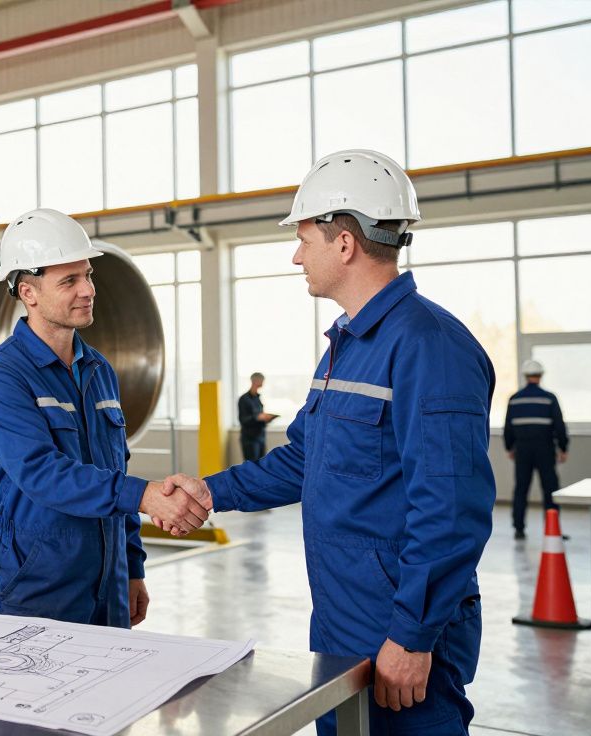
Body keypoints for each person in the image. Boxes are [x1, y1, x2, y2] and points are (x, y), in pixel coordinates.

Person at [153, 150, 495, 735]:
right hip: (342, 619)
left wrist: (413, 635)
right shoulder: (348, 345)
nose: (296, 255)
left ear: (344, 244)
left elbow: (452, 507)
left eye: (303, 239)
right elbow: (305, 460)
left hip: (400, 629)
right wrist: (210, 492)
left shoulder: (430, 346)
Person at [0, 208, 209, 629]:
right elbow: (42, 474)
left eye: (88, 275)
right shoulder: (2, 376)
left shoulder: (99, 370)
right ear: (28, 292)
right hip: (37, 586)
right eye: (69, 281)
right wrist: (146, 496)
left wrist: (132, 567)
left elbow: (116, 471)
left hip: (108, 585)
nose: (88, 290)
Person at [503, 359, 569, 540]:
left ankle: (518, 529)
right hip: (545, 449)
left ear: (525, 376)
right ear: (541, 375)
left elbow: (508, 427)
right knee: (550, 488)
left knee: (521, 489)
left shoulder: (515, 399)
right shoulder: (549, 398)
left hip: (522, 450)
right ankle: (552, 528)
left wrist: (509, 447)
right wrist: (563, 447)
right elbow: (559, 426)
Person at [238, 372, 278, 462]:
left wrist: (267, 418)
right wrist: (258, 418)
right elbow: (243, 420)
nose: (263, 383)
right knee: (252, 465)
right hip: (250, 439)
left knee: (261, 464)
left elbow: (260, 415)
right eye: (262, 380)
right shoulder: (244, 399)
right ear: (255, 381)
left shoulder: (257, 398)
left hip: (260, 437)